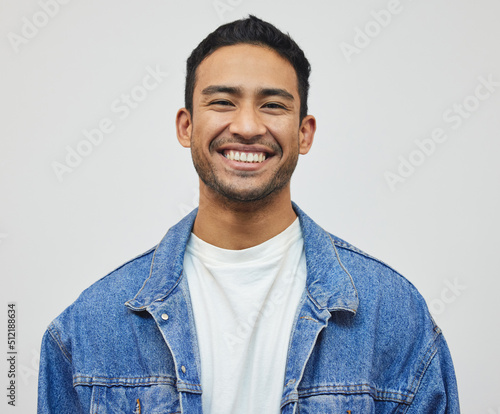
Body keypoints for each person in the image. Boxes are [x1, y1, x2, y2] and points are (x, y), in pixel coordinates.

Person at [37, 15, 460, 413]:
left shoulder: (393, 313)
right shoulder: (87, 328)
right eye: (222, 101)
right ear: (186, 126)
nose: (247, 126)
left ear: (304, 132)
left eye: (273, 105)